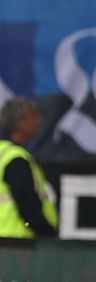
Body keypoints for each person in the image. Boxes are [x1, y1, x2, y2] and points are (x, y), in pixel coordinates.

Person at [0, 98, 58, 238]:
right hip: (16, 244)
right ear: (21, 121)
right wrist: (48, 233)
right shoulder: (16, 159)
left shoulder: (3, 152)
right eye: (34, 116)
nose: (38, 121)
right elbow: (28, 206)